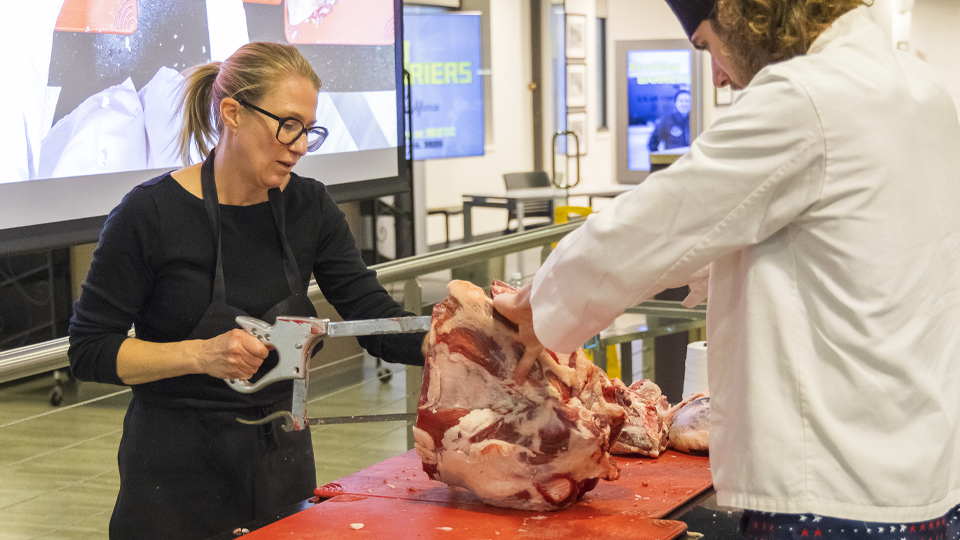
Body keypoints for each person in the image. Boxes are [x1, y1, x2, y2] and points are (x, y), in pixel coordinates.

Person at [495, 0, 960, 534]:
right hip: (922, 476)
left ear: (742, 14)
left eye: (706, 45)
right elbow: (828, 244)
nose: (716, 75)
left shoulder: (808, 97)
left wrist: (534, 306)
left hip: (835, 492)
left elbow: (660, 222)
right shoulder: (917, 85)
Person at [68, 41, 425, 540]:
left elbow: (372, 315)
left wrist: (458, 341)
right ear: (232, 113)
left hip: (282, 464)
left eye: (309, 129)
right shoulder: (149, 214)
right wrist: (201, 355)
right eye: (288, 124)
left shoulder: (310, 206)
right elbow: (90, 350)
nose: (300, 145)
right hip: (174, 479)